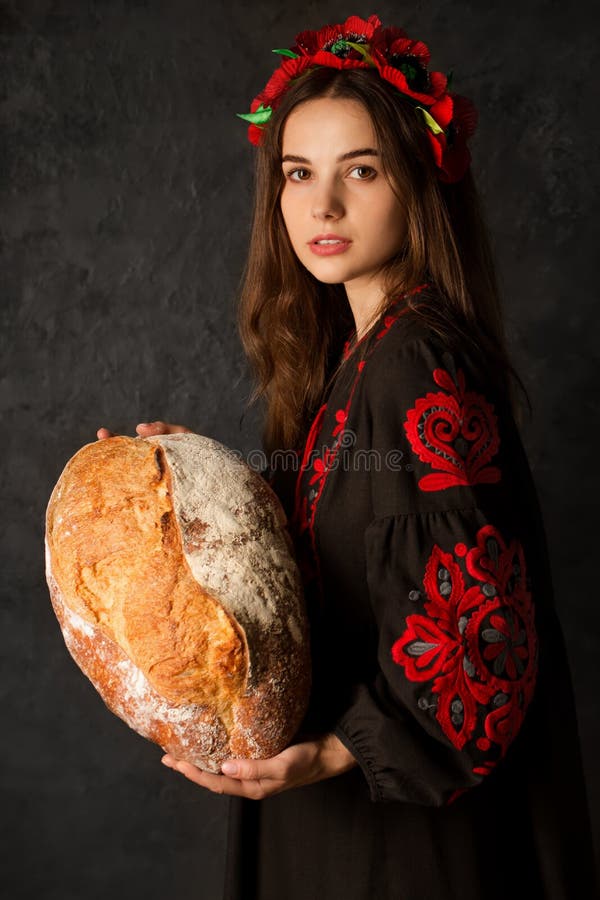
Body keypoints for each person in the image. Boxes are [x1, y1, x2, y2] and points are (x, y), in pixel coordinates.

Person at [98, 14, 598, 900]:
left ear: (419, 182)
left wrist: (334, 751)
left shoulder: (413, 362)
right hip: (361, 816)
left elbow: (483, 651)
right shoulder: (369, 353)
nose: (321, 207)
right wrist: (210, 486)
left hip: (396, 845)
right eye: (298, 174)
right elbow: (362, 550)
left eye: (359, 171)